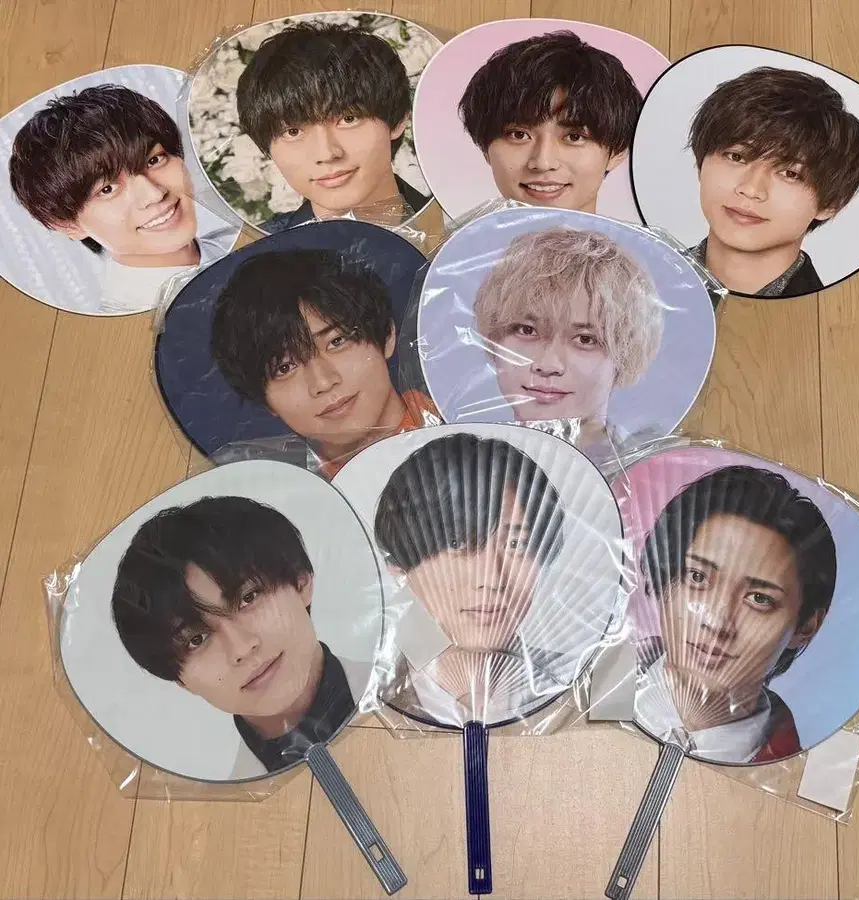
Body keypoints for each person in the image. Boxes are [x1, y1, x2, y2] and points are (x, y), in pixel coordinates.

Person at [111, 496, 372, 778]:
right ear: (182, 681)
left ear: (301, 581)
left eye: (249, 597)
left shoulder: (405, 682)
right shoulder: (231, 801)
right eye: (197, 640)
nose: (242, 648)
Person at [633, 465, 837, 763]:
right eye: (697, 577)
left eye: (760, 599)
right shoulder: (582, 678)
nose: (716, 622)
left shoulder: (802, 776)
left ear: (804, 626)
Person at [372, 432, 568, 726]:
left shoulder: (577, 685)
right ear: (399, 565)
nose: (491, 579)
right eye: (458, 543)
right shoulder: (363, 694)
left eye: (516, 544)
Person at [211, 247, 437, 479]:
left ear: (387, 335)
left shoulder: (455, 411)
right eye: (284, 368)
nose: (323, 382)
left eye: (336, 341)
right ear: (267, 402)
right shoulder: (292, 493)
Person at [8, 84, 232, 314]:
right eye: (107, 189)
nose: (154, 194)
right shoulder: (126, 323)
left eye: (153, 160)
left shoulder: (235, 239)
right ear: (67, 224)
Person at [472, 226, 664, 463]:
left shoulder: (652, 471)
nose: (547, 365)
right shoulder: (465, 466)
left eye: (585, 339)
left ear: (625, 354)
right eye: (527, 330)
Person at [687, 66, 859, 298]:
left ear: (831, 203)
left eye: (790, 173)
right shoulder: (646, 278)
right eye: (737, 157)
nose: (751, 189)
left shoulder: (830, 316)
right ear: (701, 163)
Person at [236, 23, 428, 232]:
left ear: (399, 119)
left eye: (348, 119)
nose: (326, 153)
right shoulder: (256, 247)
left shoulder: (452, 225)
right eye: (293, 132)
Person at [458, 31, 642, 214]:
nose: (543, 163)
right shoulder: (453, 233)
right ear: (485, 148)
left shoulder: (649, 233)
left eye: (574, 137)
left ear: (618, 151)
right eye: (519, 135)